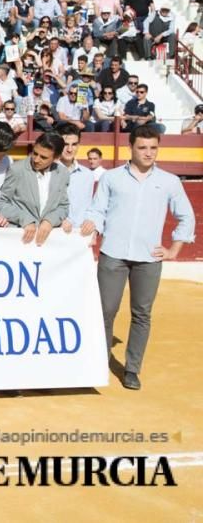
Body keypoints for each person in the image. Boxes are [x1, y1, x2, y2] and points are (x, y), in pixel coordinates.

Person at [81, 126, 195, 390]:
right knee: (105, 312)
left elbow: (186, 216)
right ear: (130, 148)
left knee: (142, 314)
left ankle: (132, 369)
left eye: (153, 148)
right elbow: (98, 209)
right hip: (113, 254)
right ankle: (98, 362)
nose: (148, 153)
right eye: (143, 147)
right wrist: (92, 225)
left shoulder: (169, 181)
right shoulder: (111, 178)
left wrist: (174, 250)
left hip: (149, 258)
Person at [0, 131, 71, 246]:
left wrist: (49, 221)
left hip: (47, 240)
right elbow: (2, 203)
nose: (36, 160)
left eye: (43, 157)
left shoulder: (63, 173)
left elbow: (63, 206)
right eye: (35, 153)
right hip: (18, 237)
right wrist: (26, 220)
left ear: (56, 157)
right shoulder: (17, 169)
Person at [55, 122, 96, 228]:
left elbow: (89, 208)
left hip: (78, 235)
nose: (69, 149)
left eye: (74, 144)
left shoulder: (87, 175)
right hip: (53, 233)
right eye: (65, 144)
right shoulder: (47, 172)